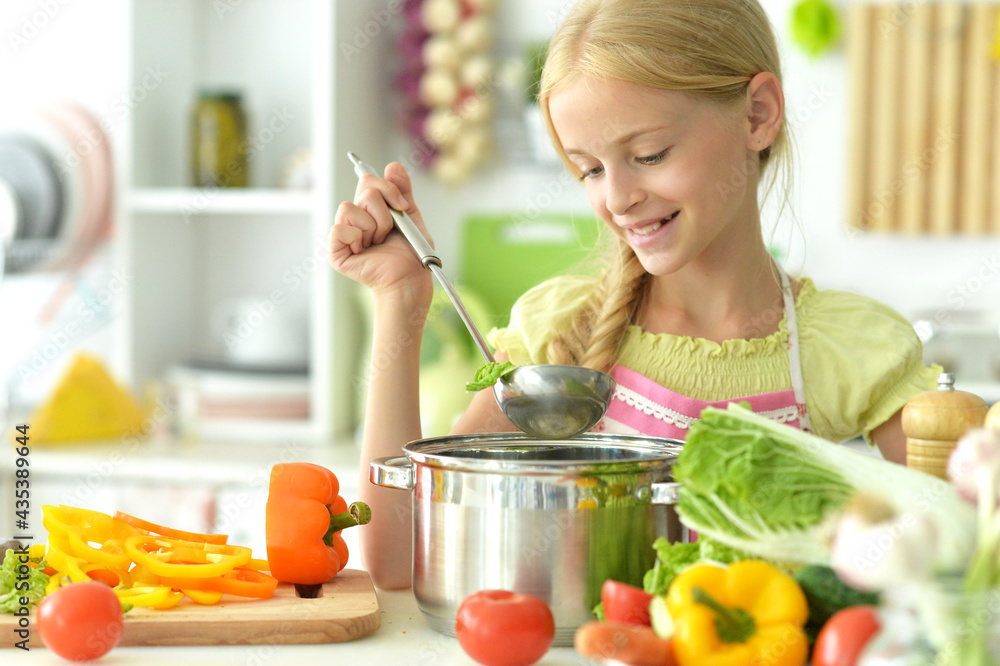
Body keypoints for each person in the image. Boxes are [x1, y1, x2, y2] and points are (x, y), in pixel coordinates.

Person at [329, 0, 940, 589]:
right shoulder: (557, 341)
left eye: (648, 154)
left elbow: (967, 544)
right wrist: (401, 302)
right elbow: (399, 561)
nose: (617, 198)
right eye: (590, 169)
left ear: (756, 114)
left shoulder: (846, 349)